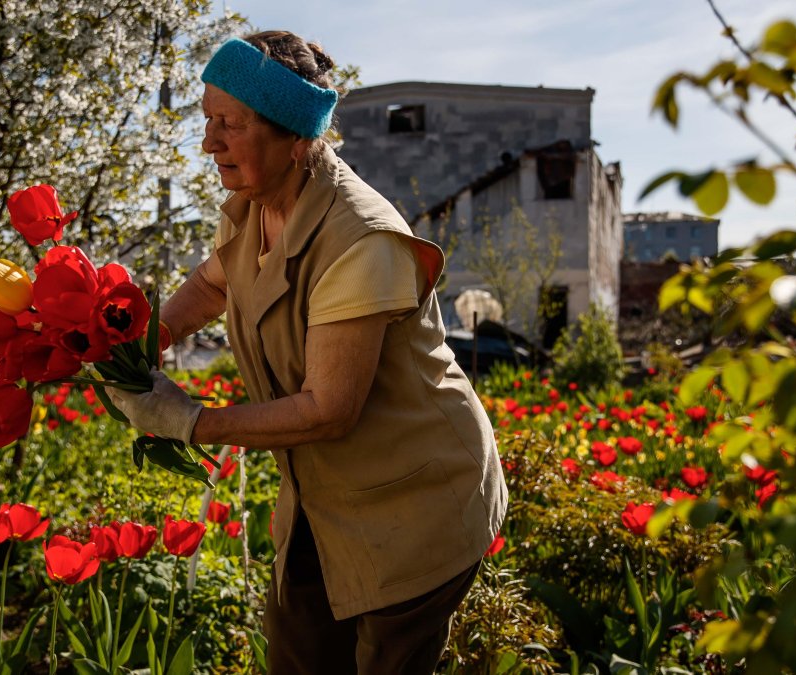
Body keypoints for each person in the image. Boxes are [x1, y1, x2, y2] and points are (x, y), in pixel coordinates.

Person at [107, 30, 508, 675]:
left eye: (230, 125)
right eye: (208, 120)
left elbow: (329, 410)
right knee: (298, 651)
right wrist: (135, 343)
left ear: (296, 137)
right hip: (326, 497)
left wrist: (190, 422)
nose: (209, 142)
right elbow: (216, 282)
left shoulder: (360, 242)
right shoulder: (249, 202)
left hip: (416, 499)